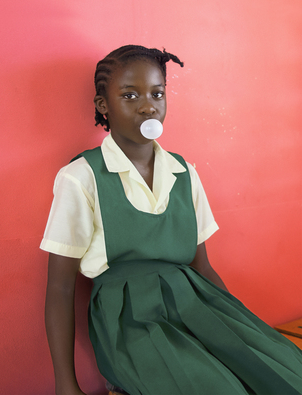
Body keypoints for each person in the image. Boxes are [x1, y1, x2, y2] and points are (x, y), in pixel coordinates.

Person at [42, 45, 302, 395]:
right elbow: (60, 288)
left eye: (157, 93)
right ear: (104, 105)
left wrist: (242, 327)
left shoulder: (184, 172)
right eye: (130, 95)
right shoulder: (81, 178)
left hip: (195, 304)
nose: (148, 105)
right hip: (131, 323)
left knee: (283, 369)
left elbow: (203, 267)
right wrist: (65, 383)